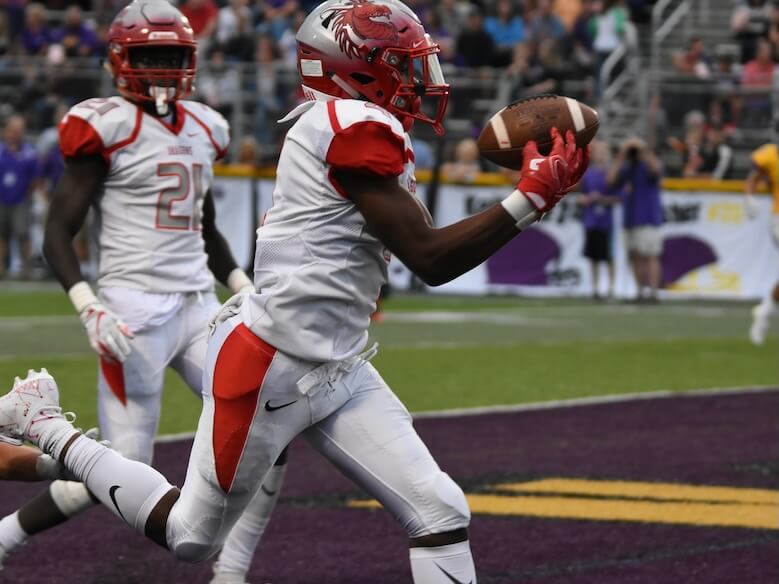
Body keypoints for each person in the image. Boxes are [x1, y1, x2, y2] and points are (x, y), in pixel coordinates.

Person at [0, 1, 587, 583]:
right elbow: (428, 257)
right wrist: (528, 199)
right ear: (355, 69)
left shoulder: (349, 124)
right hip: (269, 366)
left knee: (439, 510)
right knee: (189, 538)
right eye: (402, 65)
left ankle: (231, 576)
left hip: (337, 363)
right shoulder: (348, 126)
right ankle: (48, 426)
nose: (419, 78)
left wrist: (528, 200)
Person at [0, 4, 284, 584]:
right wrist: (88, 304)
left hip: (198, 306)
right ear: (121, 61)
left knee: (271, 415)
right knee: (122, 471)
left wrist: (245, 288)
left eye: (173, 57)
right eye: (149, 56)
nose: (161, 69)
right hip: (131, 313)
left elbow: (205, 230)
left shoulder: (207, 126)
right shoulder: (105, 124)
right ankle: (6, 533)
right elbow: (58, 231)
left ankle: (232, 574)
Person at [608, 136, 663, 303]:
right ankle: (640, 292)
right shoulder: (627, 167)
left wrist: (642, 149)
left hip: (648, 217)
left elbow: (656, 170)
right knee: (635, 256)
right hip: (630, 218)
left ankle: (653, 293)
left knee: (651, 255)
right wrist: (622, 154)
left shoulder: (648, 164)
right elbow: (611, 180)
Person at [745, 140, 779, 345]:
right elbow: (753, 178)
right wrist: (749, 197)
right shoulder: (769, 155)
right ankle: (765, 309)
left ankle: (765, 309)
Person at [0, 115, 39, 279]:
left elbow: (36, 177)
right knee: (1, 235)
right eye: (13, 130)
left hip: (21, 199)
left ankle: (27, 269)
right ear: (6, 131)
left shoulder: (29, 152)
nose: (15, 134)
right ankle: (1, 269)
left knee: (23, 234)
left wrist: (27, 194)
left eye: (18, 131)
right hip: (1, 198)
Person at [580, 140, 620, 299]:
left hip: (607, 223)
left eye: (604, 153)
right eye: (598, 152)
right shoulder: (588, 174)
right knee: (594, 257)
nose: (601, 156)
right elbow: (582, 195)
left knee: (609, 257)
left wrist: (601, 199)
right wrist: (586, 199)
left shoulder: (611, 174)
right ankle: (595, 288)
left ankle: (611, 288)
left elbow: (619, 197)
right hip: (591, 221)